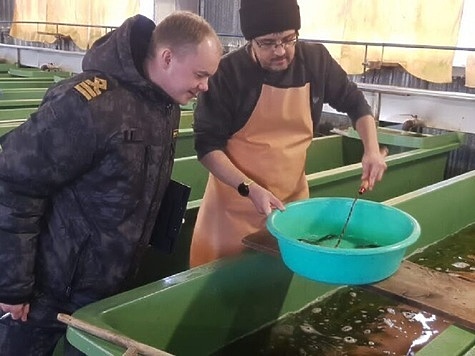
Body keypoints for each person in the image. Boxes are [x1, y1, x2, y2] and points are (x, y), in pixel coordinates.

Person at [0, 11, 222, 355]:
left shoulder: (165, 105)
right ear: (167, 58)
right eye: (200, 74)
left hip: (108, 285)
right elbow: (14, 180)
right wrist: (12, 285)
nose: (205, 86)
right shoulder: (89, 104)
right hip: (49, 287)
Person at [190, 0, 387, 267]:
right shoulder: (227, 74)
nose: (280, 51)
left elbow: (355, 103)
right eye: (268, 43)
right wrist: (249, 188)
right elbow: (207, 147)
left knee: (279, 286)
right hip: (233, 208)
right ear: (250, 40)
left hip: (291, 208)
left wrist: (372, 151)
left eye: (288, 39)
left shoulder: (315, 61)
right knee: (225, 290)